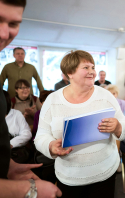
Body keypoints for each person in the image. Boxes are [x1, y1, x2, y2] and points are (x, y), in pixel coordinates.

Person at [34, 50, 125, 198]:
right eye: (86, 68)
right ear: (70, 73)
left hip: (104, 174)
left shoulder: (105, 96)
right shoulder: (52, 100)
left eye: (93, 67)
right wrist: (51, 146)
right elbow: (41, 136)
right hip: (69, 177)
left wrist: (118, 126)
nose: (92, 72)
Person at [0, 0, 62, 197]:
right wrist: (28, 190)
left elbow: (39, 81)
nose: (4, 33)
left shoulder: (31, 67)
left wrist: (6, 165)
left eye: (13, 24)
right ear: (14, 55)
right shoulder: (7, 67)